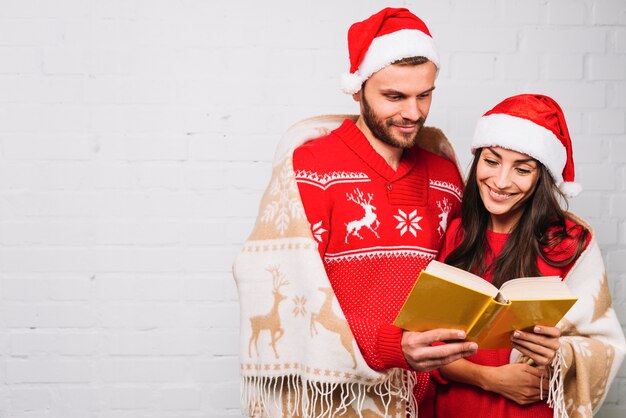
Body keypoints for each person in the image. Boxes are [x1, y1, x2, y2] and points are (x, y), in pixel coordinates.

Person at [233, 7, 476, 418]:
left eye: (425, 94)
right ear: (357, 90)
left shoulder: (446, 173)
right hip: (337, 401)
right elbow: (291, 292)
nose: (413, 113)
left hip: (429, 402)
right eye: (394, 96)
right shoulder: (308, 169)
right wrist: (388, 346)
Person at [430, 94, 626, 418]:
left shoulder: (570, 244)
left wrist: (559, 353)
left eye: (522, 169)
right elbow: (428, 349)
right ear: (477, 159)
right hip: (456, 409)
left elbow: (605, 346)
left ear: (541, 178)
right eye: (491, 161)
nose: (501, 181)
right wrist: (491, 379)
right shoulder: (456, 235)